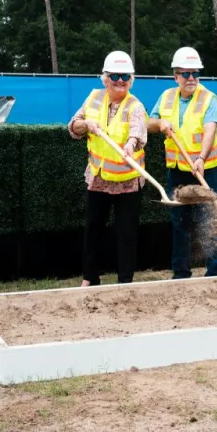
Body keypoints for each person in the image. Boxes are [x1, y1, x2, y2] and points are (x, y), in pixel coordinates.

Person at [68, 50, 148, 286]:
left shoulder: (135, 106)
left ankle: (125, 282)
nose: (120, 81)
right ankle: (89, 278)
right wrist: (86, 123)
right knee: (93, 230)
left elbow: (137, 132)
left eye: (125, 76)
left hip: (127, 180)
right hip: (98, 177)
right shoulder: (93, 98)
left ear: (131, 80)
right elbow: (73, 128)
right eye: (115, 76)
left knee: (126, 234)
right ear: (105, 79)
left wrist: (130, 145)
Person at [147, 47, 217, 279]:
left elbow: (210, 130)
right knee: (179, 223)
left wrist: (201, 158)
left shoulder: (209, 98)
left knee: (208, 220)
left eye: (195, 73)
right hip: (177, 172)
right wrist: (160, 124)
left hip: (204, 170)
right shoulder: (166, 97)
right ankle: (181, 273)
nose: (191, 78)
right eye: (186, 73)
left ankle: (213, 272)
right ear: (176, 76)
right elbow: (149, 123)